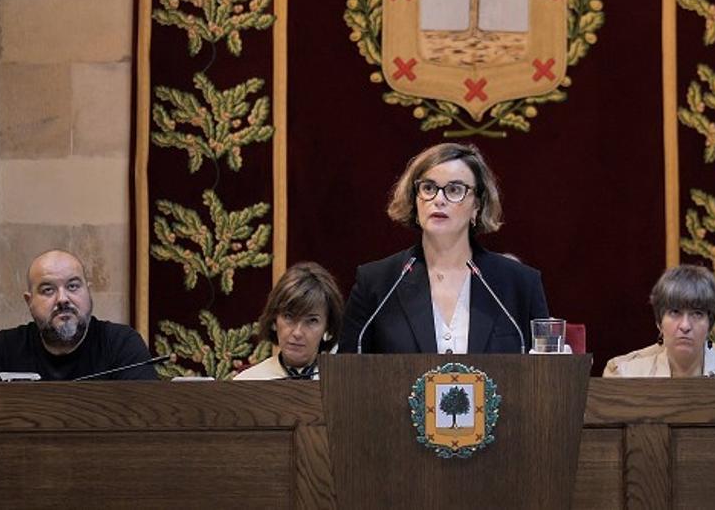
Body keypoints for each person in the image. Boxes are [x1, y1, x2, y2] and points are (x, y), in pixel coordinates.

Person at [339, 143, 549, 354]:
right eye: (428, 188)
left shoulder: (520, 284)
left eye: (454, 190)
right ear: (415, 199)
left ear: (477, 205)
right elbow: (347, 370)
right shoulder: (377, 283)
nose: (439, 200)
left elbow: (545, 368)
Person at [0, 249, 156, 381]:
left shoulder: (121, 344)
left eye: (72, 286)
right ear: (29, 301)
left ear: (88, 292)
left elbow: (147, 418)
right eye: (48, 290)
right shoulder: (1, 350)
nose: (62, 299)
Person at [604, 264, 715, 377]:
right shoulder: (625, 373)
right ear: (659, 322)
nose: (685, 326)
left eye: (697, 314)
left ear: (710, 324)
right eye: (675, 312)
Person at [234, 262, 344, 380]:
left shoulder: (343, 381)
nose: (297, 333)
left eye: (312, 320)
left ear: (328, 327)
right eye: (289, 317)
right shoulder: (247, 381)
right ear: (274, 320)